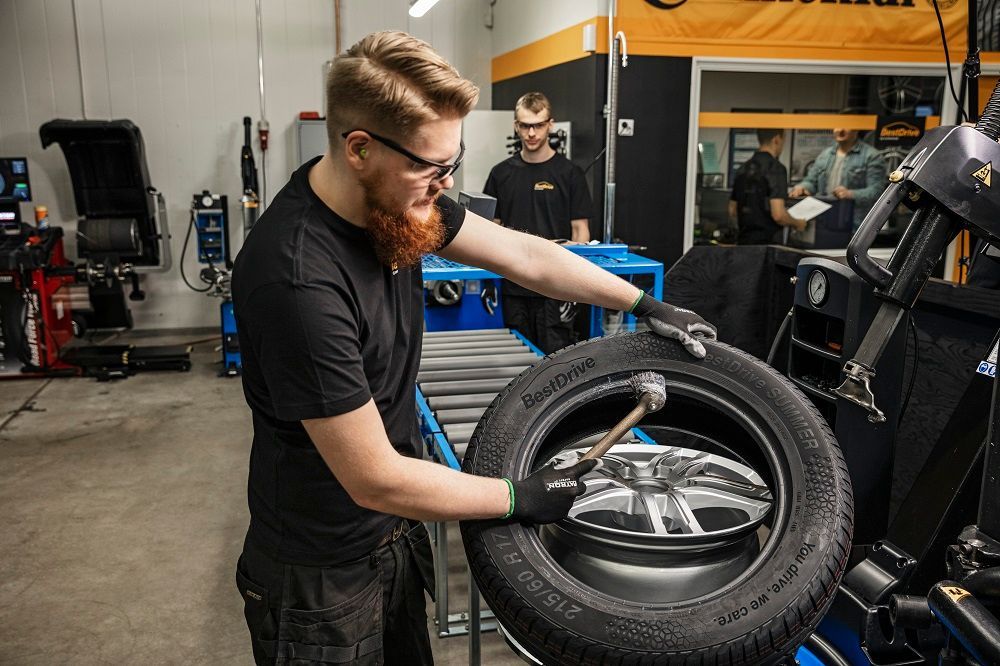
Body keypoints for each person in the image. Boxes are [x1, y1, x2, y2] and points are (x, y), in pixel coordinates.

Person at [231, 31, 716, 666]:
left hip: (389, 543)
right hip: (317, 576)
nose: (444, 184)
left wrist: (644, 304)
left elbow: (525, 254)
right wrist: (518, 496)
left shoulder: (399, 205)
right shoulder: (296, 277)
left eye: (452, 164)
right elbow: (375, 477)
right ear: (358, 148)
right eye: (432, 168)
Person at [483, 92, 593, 353]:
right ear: (516, 126)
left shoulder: (570, 174)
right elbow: (489, 231)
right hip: (514, 285)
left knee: (557, 362)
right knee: (517, 359)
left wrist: (575, 288)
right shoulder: (500, 174)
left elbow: (581, 232)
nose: (531, 133)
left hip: (556, 288)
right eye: (525, 125)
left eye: (538, 125)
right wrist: (490, 279)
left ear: (550, 124)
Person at [789, 122, 888, 230]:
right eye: (837, 125)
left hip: (854, 225)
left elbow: (877, 191)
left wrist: (850, 194)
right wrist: (803, 188)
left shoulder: (871, 156)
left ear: (856, 130)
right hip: (824, 221)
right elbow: (811, 181)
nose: (840, 130)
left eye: (845, 125)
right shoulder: (825, 154)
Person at [729, 129, 806, 245]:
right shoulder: (776, 169)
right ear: (777, 139)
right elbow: (778, 215)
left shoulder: (742, 169)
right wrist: (798, 223)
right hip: (767, 246)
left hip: (743, 244)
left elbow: (732, 210)